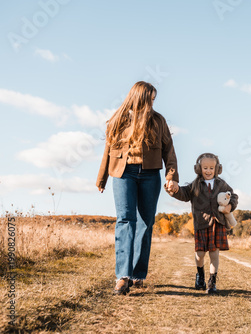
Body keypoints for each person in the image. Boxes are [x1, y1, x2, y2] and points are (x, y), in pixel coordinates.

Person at [96, 81, 179, 295]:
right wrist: (102, 178)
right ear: (139, 97)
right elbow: (108, 148)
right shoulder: (118, 119)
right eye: (150, 99)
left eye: (154, 99)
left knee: (146, 223)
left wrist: (172, 176)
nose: (152, 103)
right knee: (125, 219)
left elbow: (169, 149)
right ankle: (122, 277)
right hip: (124, 173)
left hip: (150, 174)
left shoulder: (158, 120)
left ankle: (137, 275)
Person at [167, 153, 238, 294]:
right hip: (201, 224)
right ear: (199, 169)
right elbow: (183, 194)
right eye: (205, 167)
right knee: (200, 254)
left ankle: (212, 282)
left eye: (212, 168)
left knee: (214, 254)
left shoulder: (221, 184)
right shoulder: (195, 185)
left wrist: (230, 206)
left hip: (217, 224)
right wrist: (173, 190)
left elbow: (233, 196)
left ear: (217, 169)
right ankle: (200, 275)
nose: (208, 171)